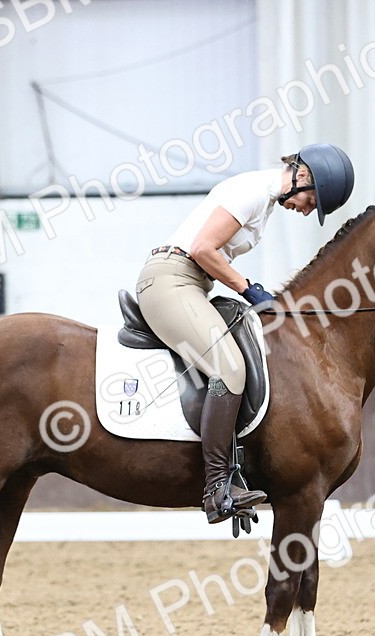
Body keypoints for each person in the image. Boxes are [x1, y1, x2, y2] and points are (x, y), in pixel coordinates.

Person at [137, 143, 355, 524]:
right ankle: (217, 486)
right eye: (311, 201)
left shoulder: (265, 199)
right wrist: (248, 288)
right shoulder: (252, 191)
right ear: (302, 176)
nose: (306, 211)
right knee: (230, 369)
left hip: (193, 285)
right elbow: (204, 248)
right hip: (171, 279)